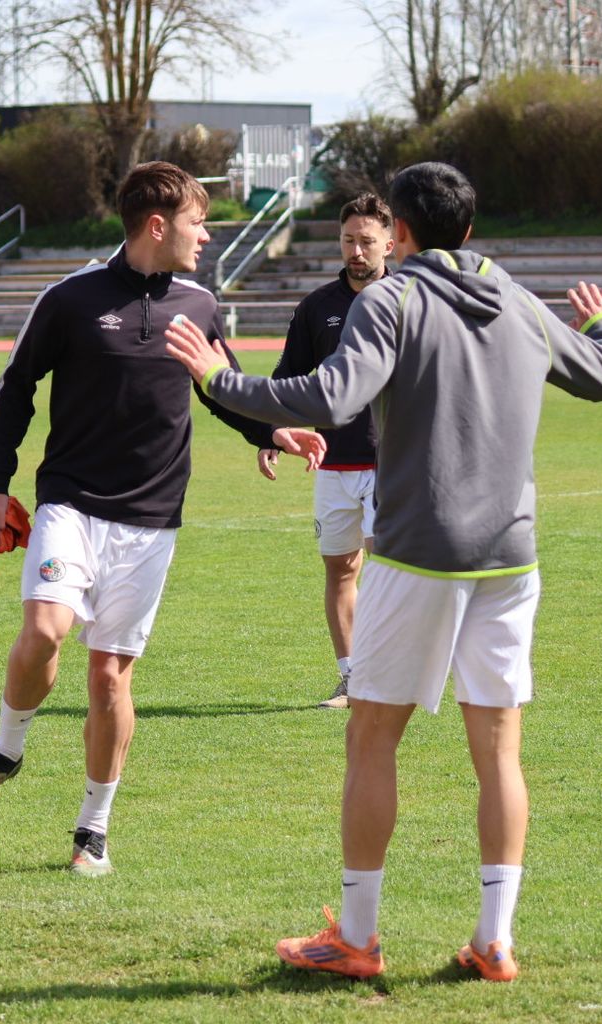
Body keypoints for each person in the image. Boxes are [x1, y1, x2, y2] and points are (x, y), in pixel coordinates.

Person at [165, 162, 602, 980]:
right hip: (510, 559)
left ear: (402, 234)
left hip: (418, 552)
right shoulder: (519, 300)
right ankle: (495, 940)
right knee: (499, 751)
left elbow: (330, 395)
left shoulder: (392, 299)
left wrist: (216, 378)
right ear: (470, 230)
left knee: (372, 735)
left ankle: (357, 937)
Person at [0, 161, 326, 876]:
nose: (206, 236)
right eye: (197, 223)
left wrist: (273, 430)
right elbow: (17, 385)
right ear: (157, 224)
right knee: (44, 628)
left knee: (110, 679)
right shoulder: (70, 298)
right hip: (70, 503)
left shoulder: (199, 305)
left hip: (152, 519)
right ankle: (7, 748)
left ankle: (92, 828)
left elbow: (222, 388)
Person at [257, 194, 394, 708]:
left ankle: (390, 676)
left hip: (392, 461)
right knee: (340, 569)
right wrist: (272, 431)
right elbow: (287, 377)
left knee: (391, 570)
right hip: (331, 462)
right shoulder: (316, 307)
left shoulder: (408, 300)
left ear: (388, 243)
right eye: (348, 240)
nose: (356, 251)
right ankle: (352, 679)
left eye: (366, 241)